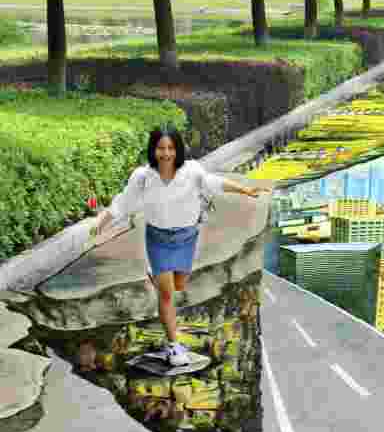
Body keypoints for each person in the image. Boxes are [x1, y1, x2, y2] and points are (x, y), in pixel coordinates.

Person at [91, 126, 270, 364]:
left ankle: (156, 277)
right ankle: (174, 346)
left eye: (170, 148)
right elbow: (123, 203)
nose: (166, 154)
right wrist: (101, 222)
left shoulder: (191, 171)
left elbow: (213, 183)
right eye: (161, 148)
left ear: (178, 150)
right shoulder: (143, 177)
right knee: (166, 295)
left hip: (187, 238)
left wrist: (245, 190)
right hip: (158, 240)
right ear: (153, 150)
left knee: (179, 284)